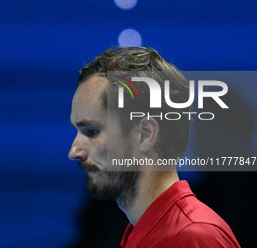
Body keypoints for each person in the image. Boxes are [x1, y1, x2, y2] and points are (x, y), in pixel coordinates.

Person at [68, 46, 240, 247]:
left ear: (146, 134)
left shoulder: (193, 237)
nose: (74, 151)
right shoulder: (142, 233)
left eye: (92, 131)